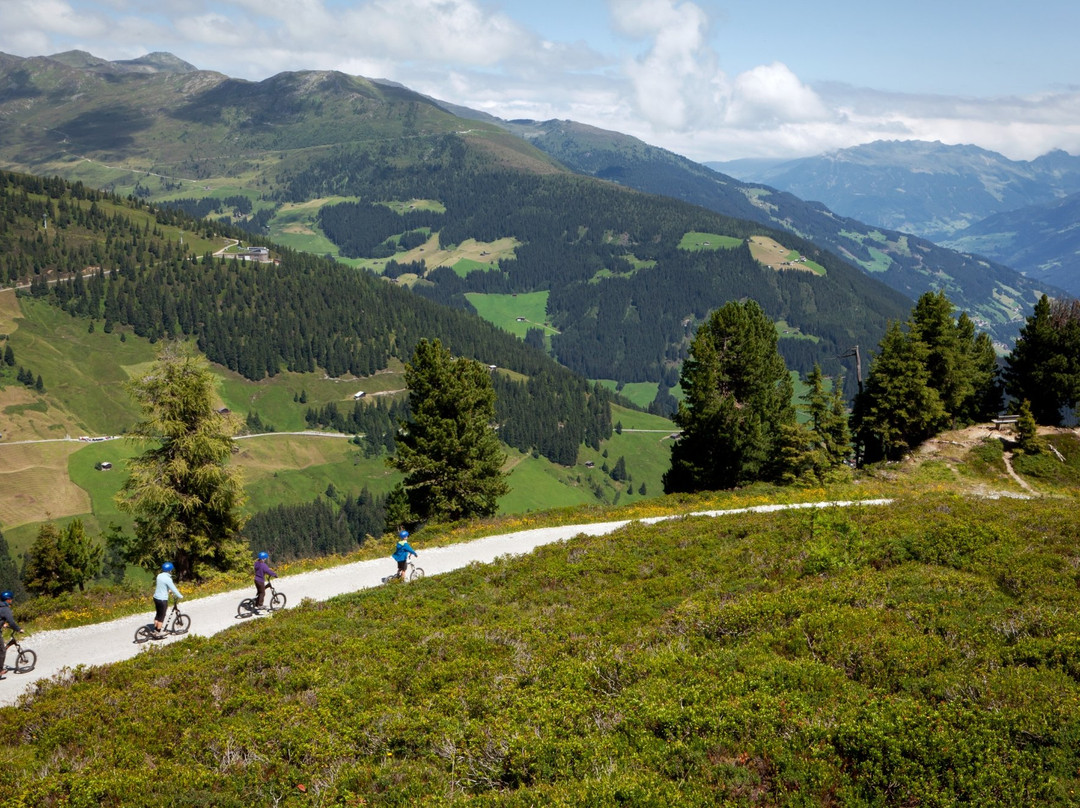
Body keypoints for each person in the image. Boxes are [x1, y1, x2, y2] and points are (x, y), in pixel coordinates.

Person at [153, 562, 182, 637]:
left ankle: (155, 629)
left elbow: (161, 586)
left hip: (156, 598)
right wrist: (180, 596)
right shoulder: (168, 579)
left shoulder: (159, 576)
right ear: (169, 570)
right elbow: (174, 589)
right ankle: (159, 632)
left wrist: (168, 590)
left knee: (158, 614)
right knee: (162, 616)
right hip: (162, 600)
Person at [0, 591, 22, 681]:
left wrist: (2, 624)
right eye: (11, 599)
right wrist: (18, 629)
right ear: (8, 599)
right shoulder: (6, 609)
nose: (11, 600)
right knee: (2, 650)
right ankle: (0, 670)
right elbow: (11, 622)